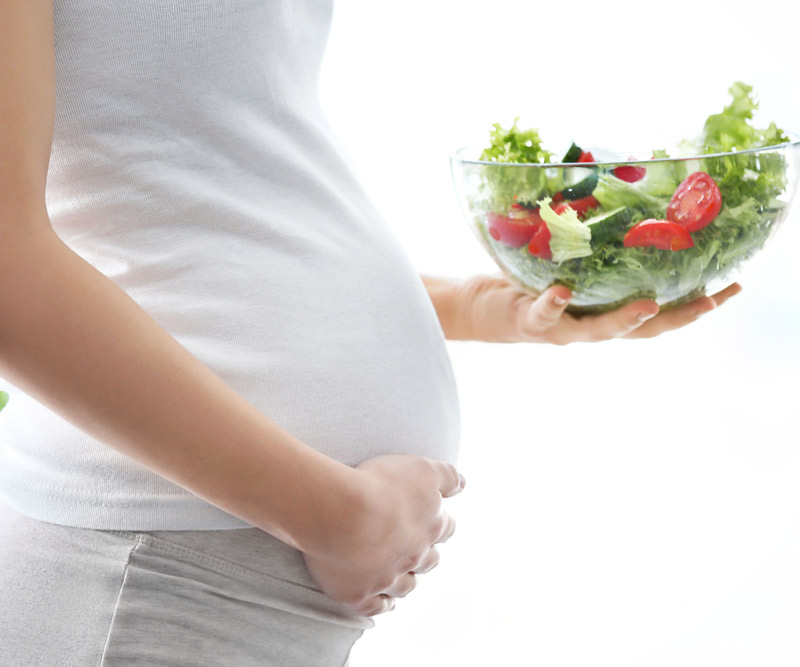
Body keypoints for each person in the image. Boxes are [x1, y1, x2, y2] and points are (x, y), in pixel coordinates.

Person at [0, 1, 741, 666]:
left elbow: (208, 185)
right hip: (148, 577)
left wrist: (474, 307)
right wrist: (334, 515)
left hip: (203, 577)